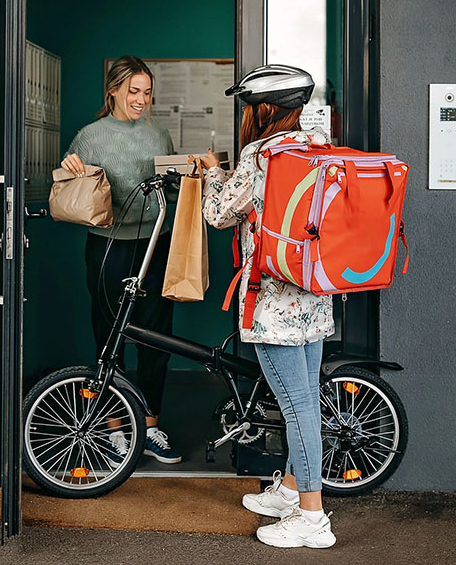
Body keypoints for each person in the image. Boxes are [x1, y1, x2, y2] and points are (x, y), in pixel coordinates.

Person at [200, 64, 336, 549]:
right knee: (306, 403)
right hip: (315, 297)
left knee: (297, 409)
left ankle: (312, 518)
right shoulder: (317, 147)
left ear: (262, 110)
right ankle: (293, 490)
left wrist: (213, 172)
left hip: (272, 303)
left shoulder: (261, 153)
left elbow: (218, 214)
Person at [62, 55, 181, 464]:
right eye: (134, 91)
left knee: (157, 334)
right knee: (110, 332)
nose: (141, 99)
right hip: (109, 244)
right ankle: (114, 427)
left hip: (155, 243)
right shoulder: (90, 136)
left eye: (147, 92)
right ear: (112, 90)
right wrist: (71, 168)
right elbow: (73, 185)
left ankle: (150, 427)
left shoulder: (160, 134)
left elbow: (174, 185)